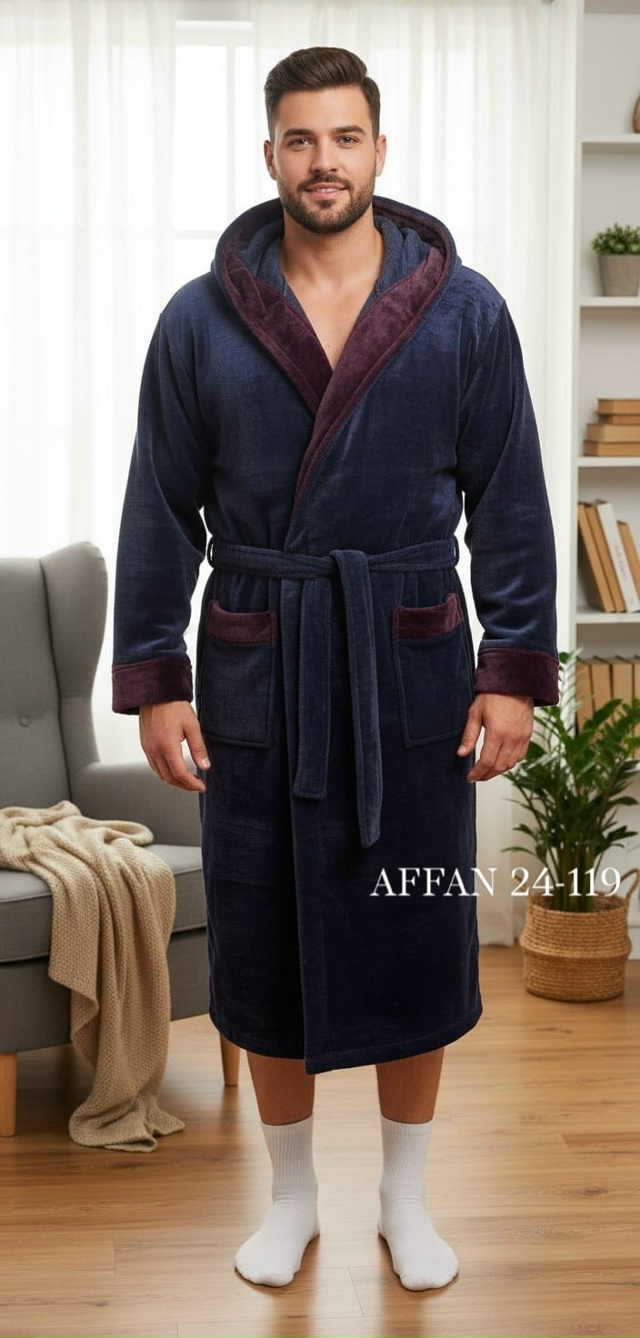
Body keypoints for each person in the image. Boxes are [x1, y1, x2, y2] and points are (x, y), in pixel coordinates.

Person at [112, 46, 558, 1292]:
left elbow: (510, 501)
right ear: (270, 155)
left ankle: (403, 1198)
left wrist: (511, 668)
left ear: (379, 149)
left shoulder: (462, 312)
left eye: (345, 137)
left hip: (409, 665)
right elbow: (159, 508)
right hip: (259, 663)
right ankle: (294, 1197)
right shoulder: (199, 319)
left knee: (416, 932)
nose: (324, 162)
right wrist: (155, 676)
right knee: (264, 939)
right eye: (301, 139)